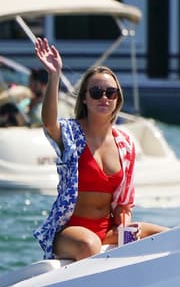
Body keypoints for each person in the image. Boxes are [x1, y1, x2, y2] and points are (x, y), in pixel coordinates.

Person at [32, 37, 166, 260]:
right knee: (89, 244)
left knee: (168, 236)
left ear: (117, 98)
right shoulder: (70, 133)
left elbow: (124, 204)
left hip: (107, 232)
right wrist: (54, 75)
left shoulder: (125, 144)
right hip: (70, 233)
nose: (104, 97)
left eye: (110, 92)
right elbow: (48, 123)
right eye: (96, 92)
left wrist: (125, 231)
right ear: (84, 98)